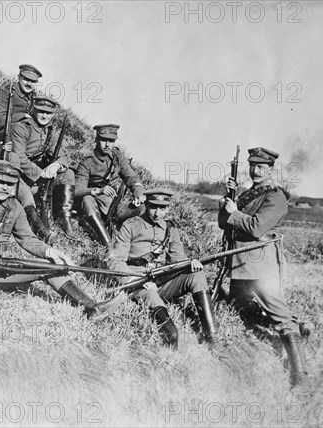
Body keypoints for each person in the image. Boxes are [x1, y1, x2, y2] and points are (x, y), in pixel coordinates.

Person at [0, 159, 124, 327]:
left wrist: (51, 252)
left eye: (10, 183)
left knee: (51, 266)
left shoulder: (14, 207)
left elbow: (26, 238)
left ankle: (91, 307)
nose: (5, 187)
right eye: (0, 181)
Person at [218, 147, 308, 388]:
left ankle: (301, 377)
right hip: (239, 264)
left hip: (261, 266)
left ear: (270, 169)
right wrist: (227, 200)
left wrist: (235, 212)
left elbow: (257, 227)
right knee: (240, 310)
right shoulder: (247, 194)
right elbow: (224, 223)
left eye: (261, 167)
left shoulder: (275, 197)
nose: (255, 171)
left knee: (280, 317)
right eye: (252, 166)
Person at [107, 187, 221, 352]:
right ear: (146, 204)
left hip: (162, 281)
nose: (157, 213)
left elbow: (177, 260)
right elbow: (115, 260)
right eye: (153, 207)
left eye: (162, 208)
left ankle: (212, 337)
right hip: (138, 282)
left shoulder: (170, 229)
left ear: (168, 208)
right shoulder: (130, 225)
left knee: (196, 275)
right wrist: (133, 280)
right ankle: (171, 338)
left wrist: (190, 264)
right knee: (152, 296)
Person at [11, 95, 75, 233]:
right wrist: (41, 174)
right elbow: (19, 158)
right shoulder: (21, 127)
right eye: (41, 111)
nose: (44, 116)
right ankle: (37, 226)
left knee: (67, 174)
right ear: (34, 110)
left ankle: (63, 218)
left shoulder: (49, 132)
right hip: (20, 173)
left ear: (53, 115)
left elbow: (62, 157)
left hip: (37, 175)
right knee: (26, 196)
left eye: (48, 113)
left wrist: (56, 165)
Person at [75, 124, 145, 245]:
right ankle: (106, 243)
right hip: (95, 205)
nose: (107, 145)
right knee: (86, 200)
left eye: (111, 141)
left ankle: (138, 246)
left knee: (143, 208)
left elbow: (131, 177)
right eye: (104, 140)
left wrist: (139, 193)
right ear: (97, 139)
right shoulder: (86, 162)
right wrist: (98, 190)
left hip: (115, 206)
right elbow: (77, 190)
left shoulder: (117, 157)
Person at [0, 64, 41, 137]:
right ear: (19, 77)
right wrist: (23, 116)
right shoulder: (5, 92)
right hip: (1, 136)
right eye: (26, 79)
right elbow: (0, 121)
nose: (29, 84)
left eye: (33, 81)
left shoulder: (33, 97)